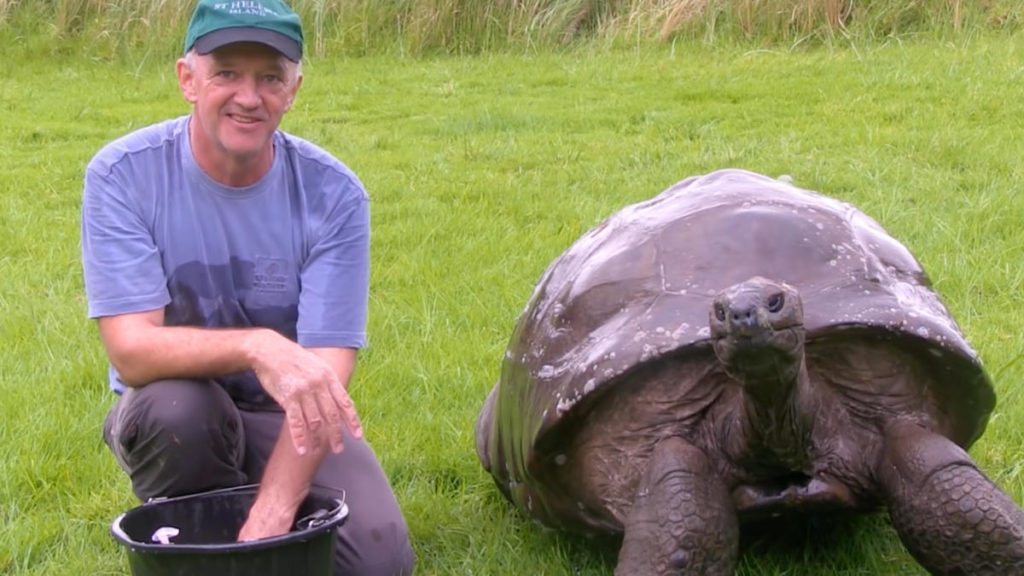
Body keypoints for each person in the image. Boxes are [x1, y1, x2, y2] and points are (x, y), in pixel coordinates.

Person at [80, 1, 415, 574]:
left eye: (270, 77)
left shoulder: (335, 195)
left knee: (380, 561)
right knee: (181, 412)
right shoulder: (122, 176)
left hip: (288, 413)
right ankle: (197, 529)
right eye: (227, 72)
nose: (248, 96)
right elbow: (132, 351)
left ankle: (252, 506)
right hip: (174, 406)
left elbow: (324, 371)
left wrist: (276, 506)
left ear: (295, 88)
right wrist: (258, 345)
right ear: (188, 79)